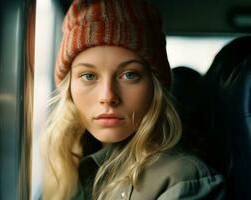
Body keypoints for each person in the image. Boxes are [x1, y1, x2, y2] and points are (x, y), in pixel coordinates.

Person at [40, 0, 225, 199]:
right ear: (69, 88)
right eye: (89, 76)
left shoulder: (182, 181)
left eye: (129, 75)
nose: (108, 97)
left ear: (155, 87)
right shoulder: (65, 167)